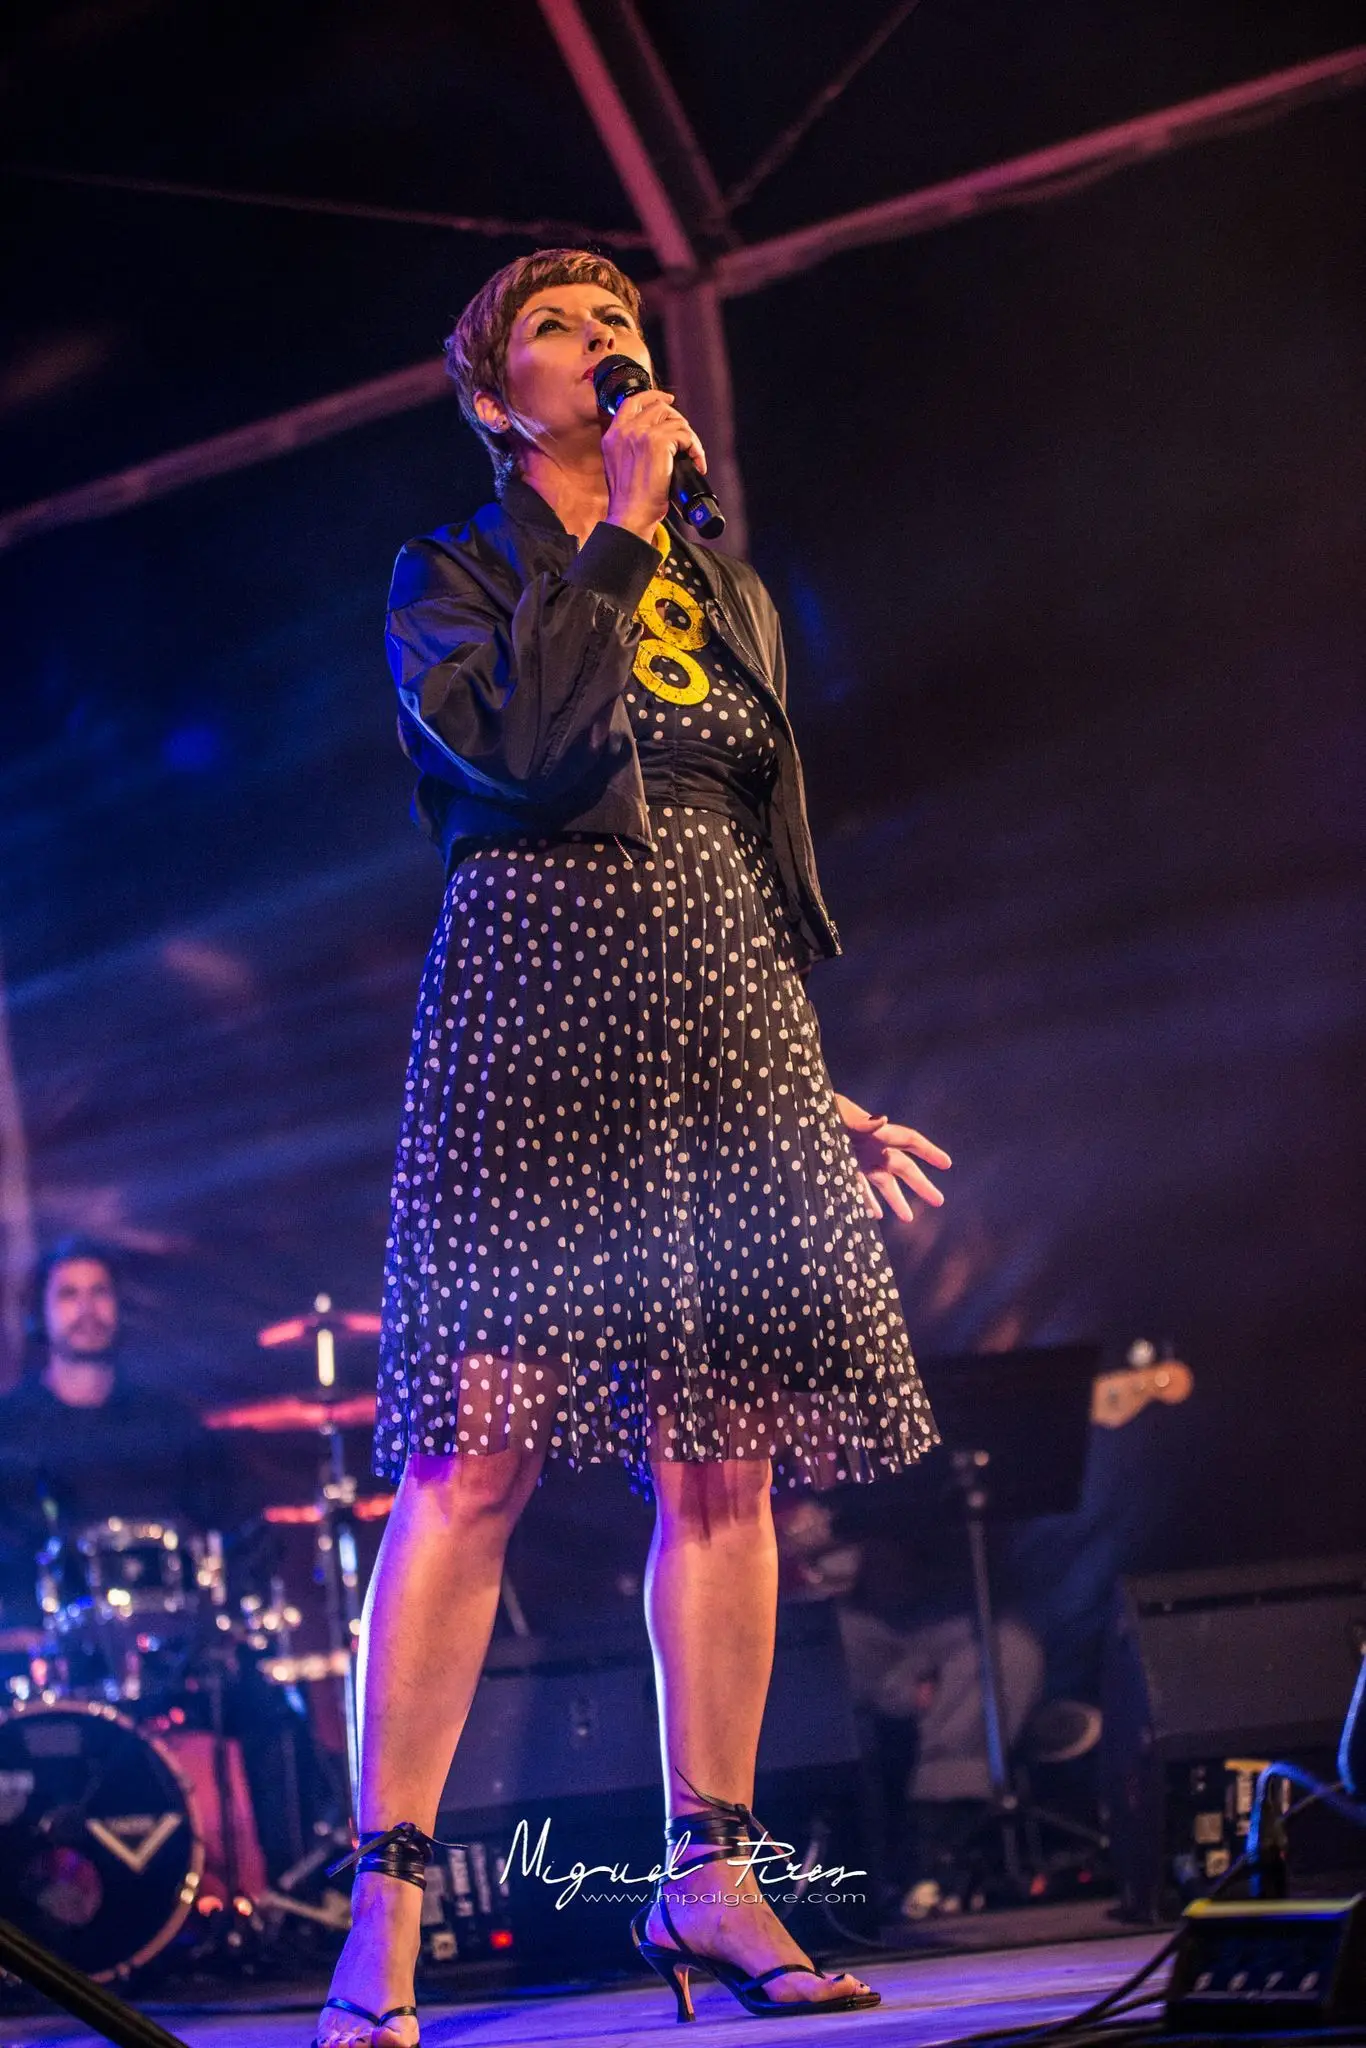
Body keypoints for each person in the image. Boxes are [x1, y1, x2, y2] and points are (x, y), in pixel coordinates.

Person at [316, 249, 952, 2048]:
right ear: (491, 395)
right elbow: (525, 749)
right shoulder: (451, 575)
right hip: (532, 1014)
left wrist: (803, 1089)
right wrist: (612, 530)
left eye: (618, 318)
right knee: (478, 1457)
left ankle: (712, 1876)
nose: (601, 340)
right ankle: (386, 1903)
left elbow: (742, 846)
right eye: (557, 326)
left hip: (726, 1031)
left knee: (724, 1463)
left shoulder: (724, 586)